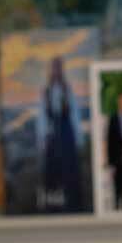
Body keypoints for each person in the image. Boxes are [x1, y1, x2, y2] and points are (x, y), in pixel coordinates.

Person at [40, 57, 83, 211]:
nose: (56, 71)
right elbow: (42, 117)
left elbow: (75, 114)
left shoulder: (67, 89)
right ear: (51, 70)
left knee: (69, 167)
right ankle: (53, 204)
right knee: (52, 169)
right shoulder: (46, 91)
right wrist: (43, 138)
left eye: (59, 68)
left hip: (66, 132)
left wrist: (78, 139)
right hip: (52, 133)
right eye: (54, 68)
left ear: (62, 70)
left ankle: (72, 202)